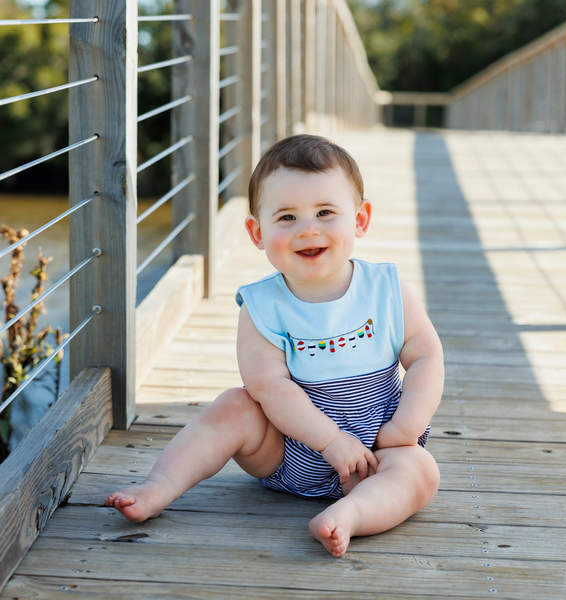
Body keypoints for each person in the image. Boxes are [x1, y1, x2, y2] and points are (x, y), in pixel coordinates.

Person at [106, 135, 444, 558]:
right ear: (257, 231)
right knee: (233, 405)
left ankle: (353, 513)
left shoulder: (387, 290)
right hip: (287, 451)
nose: (308, 228)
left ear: (360, 219)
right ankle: (160, 486)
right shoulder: (262, 305)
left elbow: (427, 357)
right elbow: (268, 387)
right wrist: (330, 442)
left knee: (420, 471)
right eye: (286, 217)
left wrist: (406, 428)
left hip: (378, 452)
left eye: (325, 212)